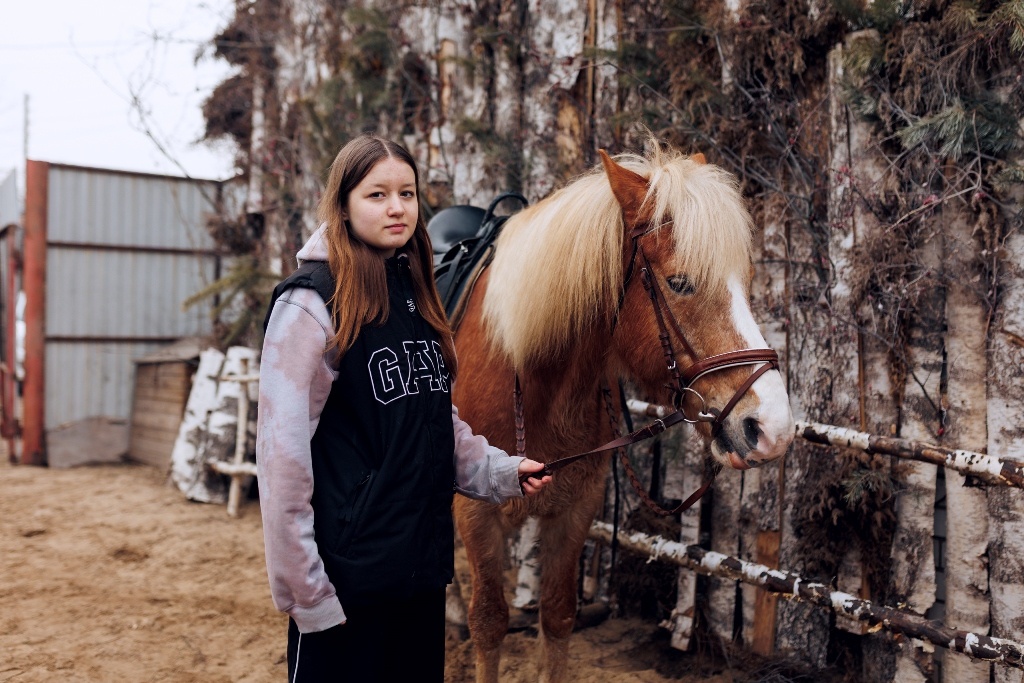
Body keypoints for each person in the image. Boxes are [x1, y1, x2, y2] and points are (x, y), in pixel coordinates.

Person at [256, 133, 551, 683]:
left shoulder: (416, 296)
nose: (397, 208)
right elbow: (281, 462)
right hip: (344, 585)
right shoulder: (312, 303)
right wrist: (308, 595)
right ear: (342, 204)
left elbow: (437, 423)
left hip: (417, 575)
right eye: (376, 194)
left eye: (408, 193)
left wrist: (501, 470)